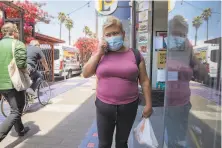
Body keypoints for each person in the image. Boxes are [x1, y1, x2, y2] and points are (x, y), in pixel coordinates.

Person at [82, 16, 152, 148]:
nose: (112, 37)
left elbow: (144, 81)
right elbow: (85, 73)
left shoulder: (135, 54)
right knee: (104, 144)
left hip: (129, 107)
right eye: (108, 35)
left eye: (115, 33)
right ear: (103, 37)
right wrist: (99, 53)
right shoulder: (100, 54)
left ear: (123, 34)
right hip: (104, 107)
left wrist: (149, 104)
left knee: (121, 143)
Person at [164, 15, 206, 147]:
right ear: (169, 33)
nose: (179, 38)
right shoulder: (161, 46)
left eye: (182, 35)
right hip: (163, 104)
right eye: (176, 33)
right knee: (163, 138)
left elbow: (202, 75)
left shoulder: (188, 48)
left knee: (178, 141)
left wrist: (196, 62)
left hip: (182, 104)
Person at [0, 22, 30, 141]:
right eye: (17, 31)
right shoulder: (18, 44)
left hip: (2, 84)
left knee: (15, 108)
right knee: (16, 110)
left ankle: (20, 130)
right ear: (13, 32)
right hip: (13, 82)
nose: (18, 33)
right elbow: (21, 64)